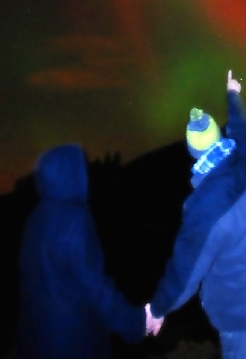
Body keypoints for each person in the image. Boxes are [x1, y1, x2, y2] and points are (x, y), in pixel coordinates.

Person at [147, 71, 246, 359]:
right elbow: (240, 129)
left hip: (245, 322)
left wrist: (157, 308)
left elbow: (185, 270)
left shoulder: (204, 208)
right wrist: (232, 94)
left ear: (193, 151)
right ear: (217, 136)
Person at [14, 143, 160, 358]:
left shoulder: (35, 219)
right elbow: (96, 287)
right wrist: (137, 322)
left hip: (38, 339)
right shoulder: (75, 220)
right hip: (73, 342)